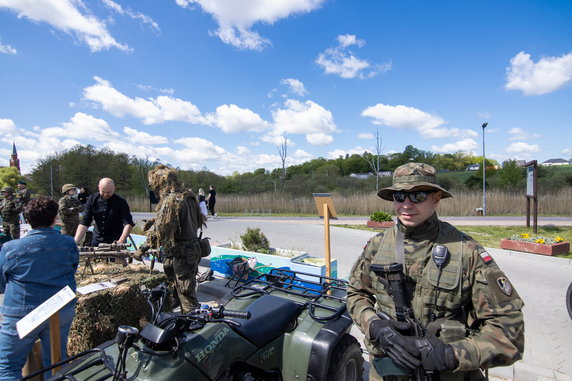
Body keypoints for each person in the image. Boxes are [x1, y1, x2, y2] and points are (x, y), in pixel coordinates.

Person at [346, 163, 524, 381]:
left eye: (418, 195)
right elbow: (356, 294)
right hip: (387, 373)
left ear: (436, 198)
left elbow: (509, 332)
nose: (406, 204)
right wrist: (375, 326)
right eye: (400, 196)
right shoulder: (378, 245)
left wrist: (450, 355)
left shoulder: (465, 251)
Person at [0, 196, 79, 380]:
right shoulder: (68, 243)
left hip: (21, 311)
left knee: (8, 367)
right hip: (60, 310)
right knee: (56, 363)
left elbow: (1, 283)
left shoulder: (11, 248)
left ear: (27, 220)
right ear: (54, 219)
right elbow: (72, 268)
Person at [138, 165, 206, 313]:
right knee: (176, 289)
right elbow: (192, 221)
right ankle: (182, 318)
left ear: (160, 183)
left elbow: (160, 232)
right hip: (189, 250)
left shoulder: (172, 200)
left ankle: (193, 325)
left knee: (186, 294)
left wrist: (142, 249)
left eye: (154, 185)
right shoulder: (188, 196)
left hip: (182, 254)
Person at [74, 178, 134, 246]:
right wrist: (75, 241)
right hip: (97, 240)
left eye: (108, 192)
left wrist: (121, 241)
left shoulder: (121, 202)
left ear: (114, 188)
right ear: (98, 188)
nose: (105, 195)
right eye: (103, 192)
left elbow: (128, 223)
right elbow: (85, 222)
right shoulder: (92, 200)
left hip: (116, 240)